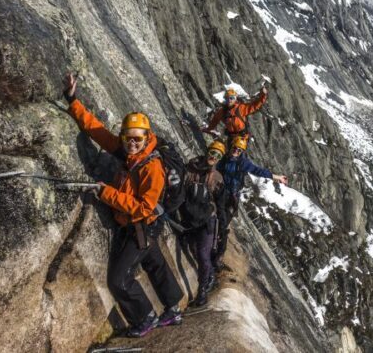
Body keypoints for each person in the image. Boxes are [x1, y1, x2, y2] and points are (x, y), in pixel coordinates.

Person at [62, 72, 183, 338]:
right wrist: (72, 100)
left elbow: (144, 208)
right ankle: (173, 309)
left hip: (142, 225)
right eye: (128, 137)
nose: (132, 143)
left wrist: (106, 193)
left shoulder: (151, 167)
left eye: (138, 138)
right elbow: (97, 131)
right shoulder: (129, 152)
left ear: (147, 137)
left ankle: (145, 317)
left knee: (118, 280)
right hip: (143, 224)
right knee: (154, 264)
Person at [214, 135, 288, 267]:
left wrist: (276, 177)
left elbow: (257, 170)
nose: (236, 151)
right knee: (214, 218)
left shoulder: (243, 163)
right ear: (231, 147)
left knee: (223, 225)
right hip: (220, 193)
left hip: (231, 197)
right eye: (235, 148)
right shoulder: (224, 158)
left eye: (239, 150)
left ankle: (219, 255)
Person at [176, 140, 226, 307]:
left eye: (218, 155)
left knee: (203, 255)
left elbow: (220, 204)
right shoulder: (190, 168)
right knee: (196, 252)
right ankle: (209, 274)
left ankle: (202, 290)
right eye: (213, 152)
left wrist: (222, 227)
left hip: (206, 221)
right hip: (190, 219)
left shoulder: (217, 178)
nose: (214, 157)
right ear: (207, 151)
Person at [201, 84, 268, 149]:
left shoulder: (240, 108)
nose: (229, 100)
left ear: (235, 99)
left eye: (231, 98)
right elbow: (215, 120)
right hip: (231, 137)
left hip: (242, 137)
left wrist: (263, 95)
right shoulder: (222, 111)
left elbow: (254, 105)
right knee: (226, 152)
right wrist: (209, 129)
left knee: (237, 151)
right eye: (227, 98)